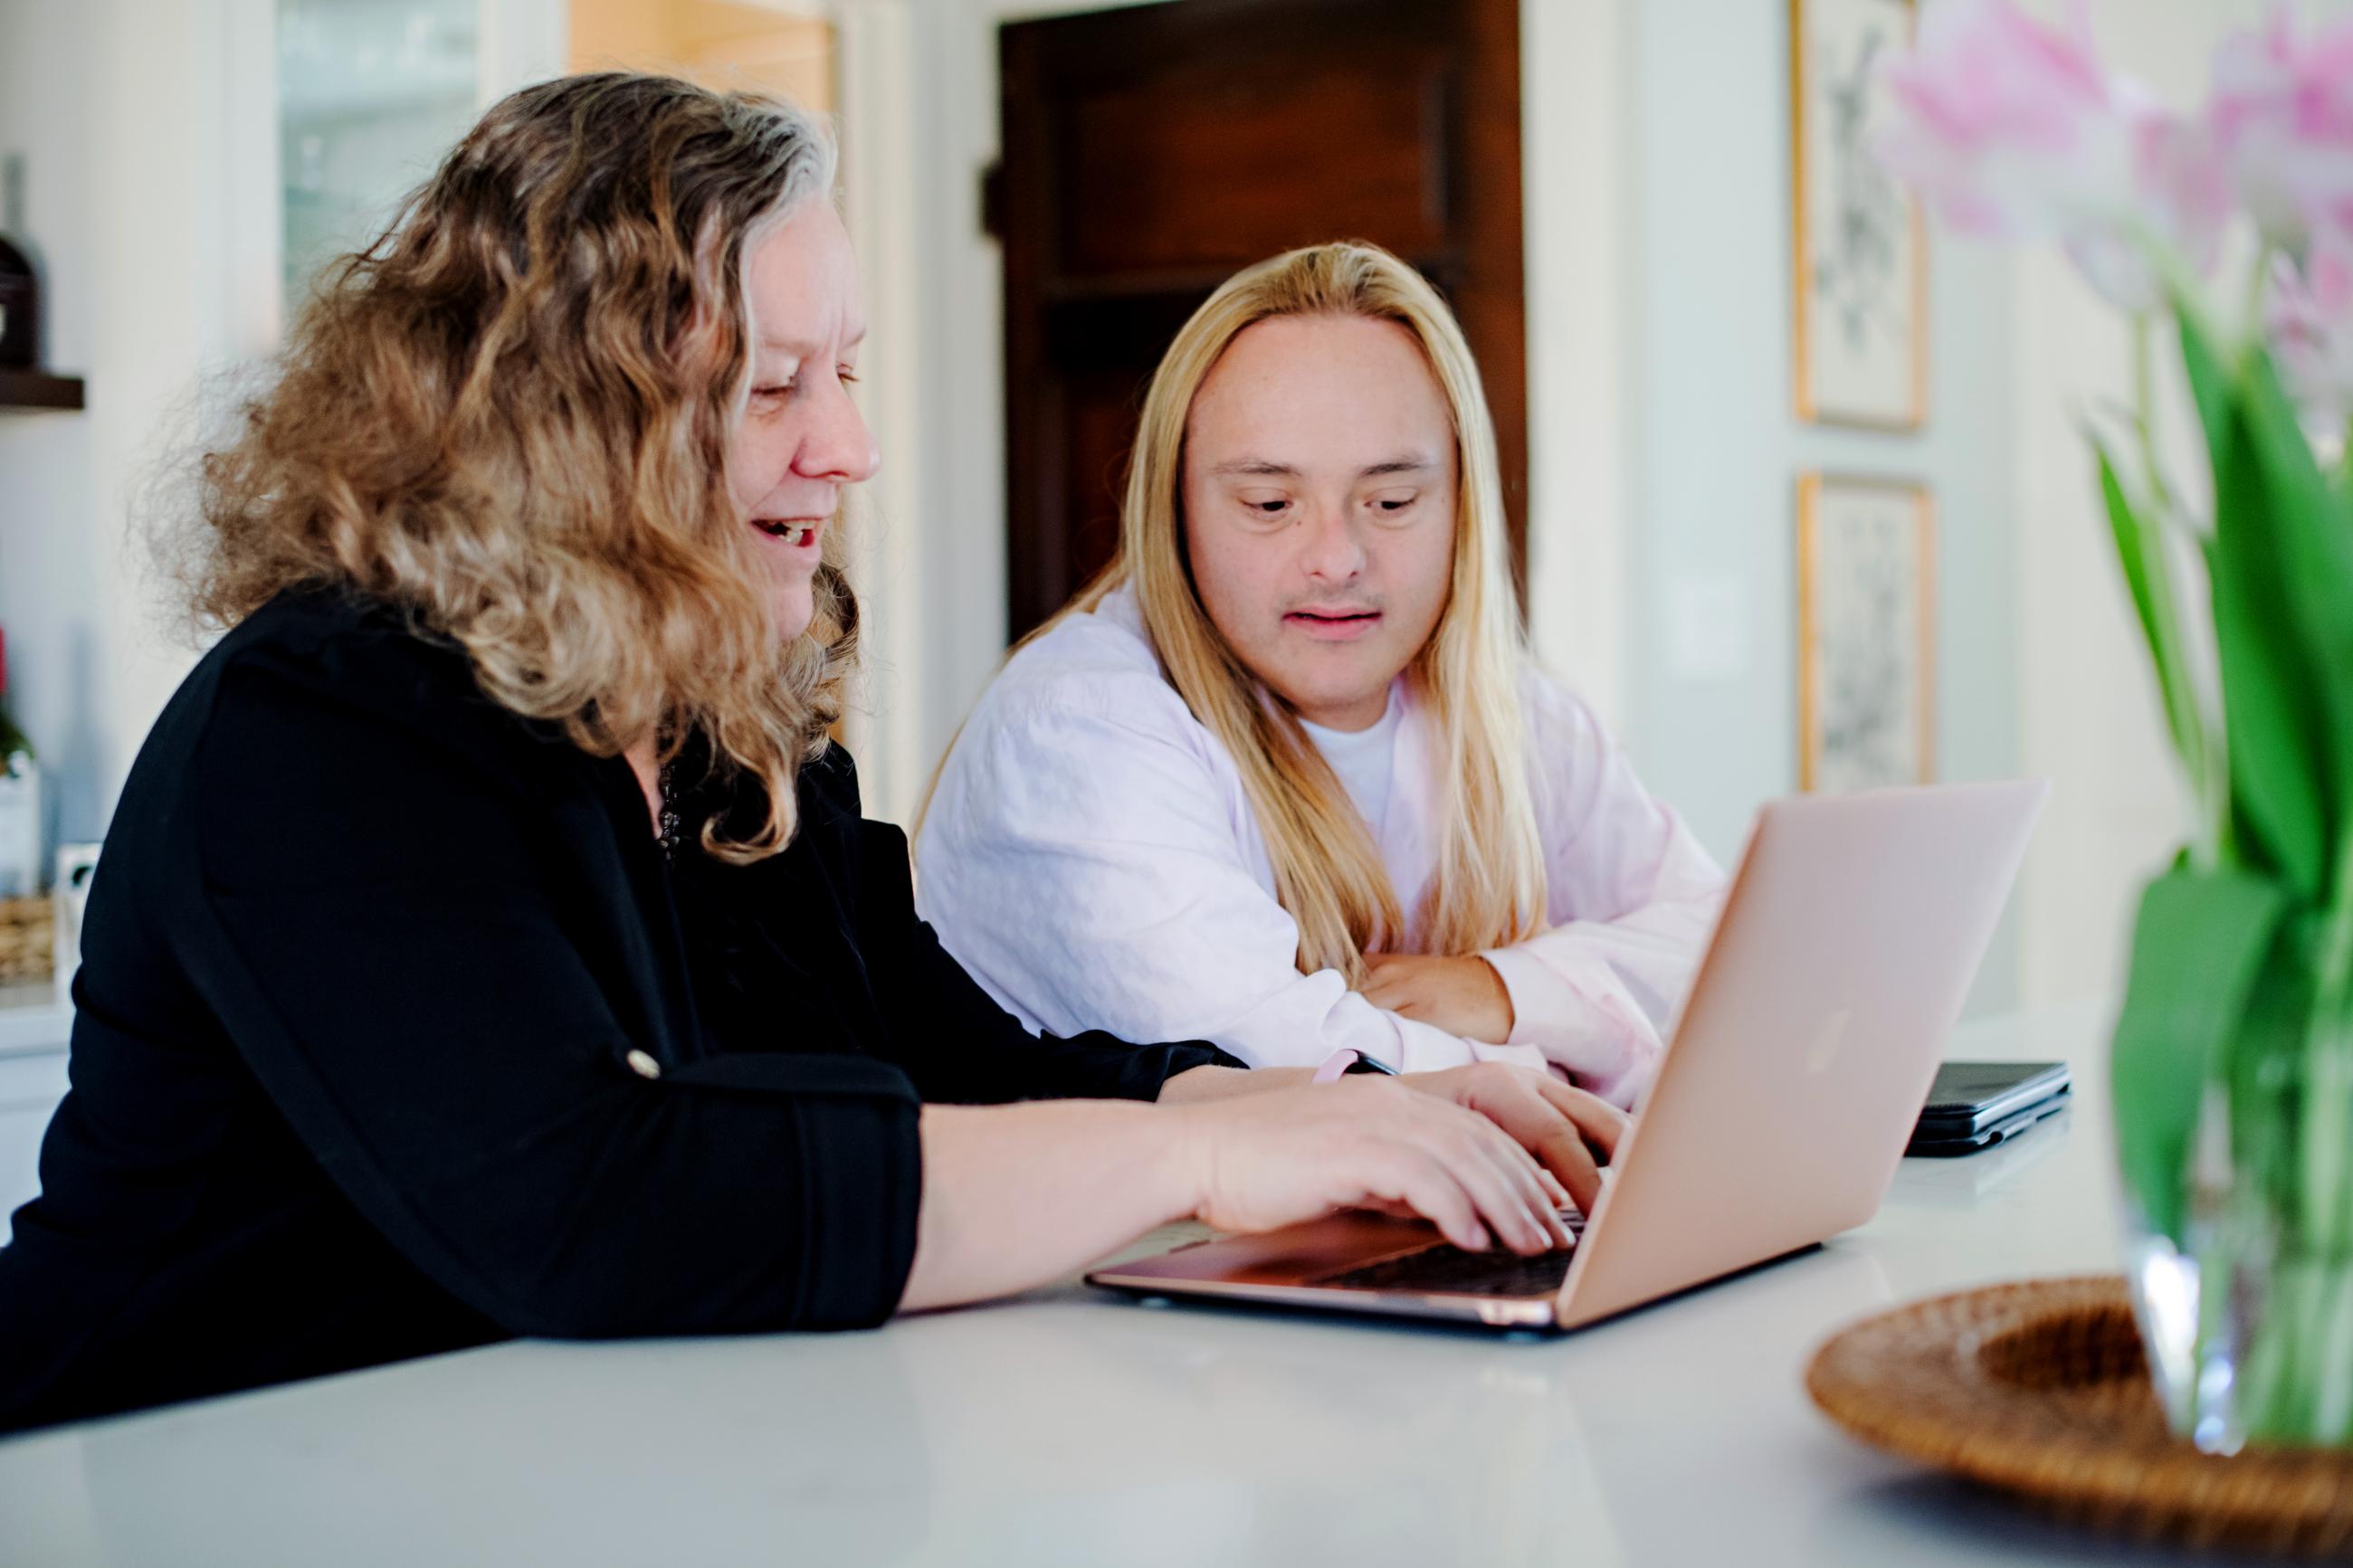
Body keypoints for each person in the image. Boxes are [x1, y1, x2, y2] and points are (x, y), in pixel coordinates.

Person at [0, 80, 1625, 1434]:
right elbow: (593, 1203)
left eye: (843, 373)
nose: (845, 444)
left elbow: (962, 1058)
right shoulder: (332, 720)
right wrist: (1203, 1150)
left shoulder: (730, 738)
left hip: (528, 1462)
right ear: (567, 419)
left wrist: (1331, 1105)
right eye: (775, 384)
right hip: (156, 1472)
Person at [917, 242, 1723, 1107]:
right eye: (1270, 505)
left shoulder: (1513, 714)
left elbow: (1735, 958)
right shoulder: (1076, 730)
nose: (1337, 559)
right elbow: (1299, 1073)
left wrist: (1502, 989)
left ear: (1462, 506)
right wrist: (1589, 1050)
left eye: (1391, 502)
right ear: (1175, 506)